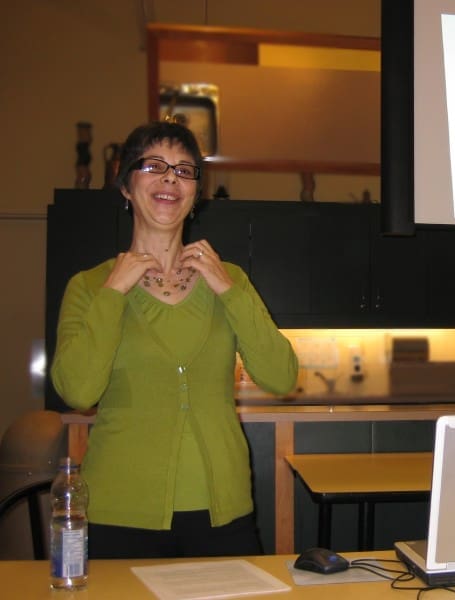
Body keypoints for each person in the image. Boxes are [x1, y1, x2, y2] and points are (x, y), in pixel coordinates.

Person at [51, 121, 298, 558]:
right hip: (119, 512)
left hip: (223, 513)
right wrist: (113, 293)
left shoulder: (230, 279)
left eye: (185, 171)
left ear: (195, 194)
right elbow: (78, 390)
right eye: (154, 166)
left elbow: (281, 376)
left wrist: (228, 289)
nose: (171, 178)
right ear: (126, 186)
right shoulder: (90, 287)